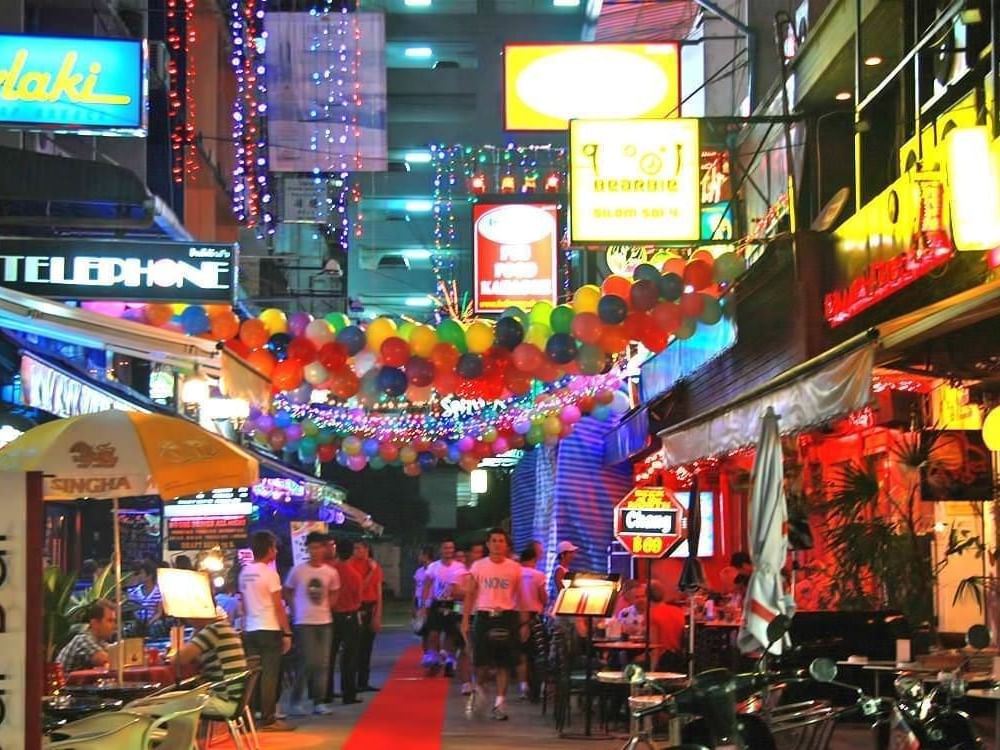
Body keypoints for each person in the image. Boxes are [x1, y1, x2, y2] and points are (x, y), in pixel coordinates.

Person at [462, 528, 523, 721]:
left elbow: (519, 597)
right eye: (494, 540)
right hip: (484, 616)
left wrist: (523, 623)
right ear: (488, 544)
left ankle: (500, 703)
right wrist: (465, 619)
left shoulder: (515, 568)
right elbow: (470, 594)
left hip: (506, 616)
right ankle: (479, 690)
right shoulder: (478, 566)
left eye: (501, 541)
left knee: (504, 663)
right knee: (481, 663)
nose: (497, 544)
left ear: (506, 545)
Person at [239, 530, 294, 732]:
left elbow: (243, 604)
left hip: (251, 630)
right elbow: (278, 606)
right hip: (269, 628)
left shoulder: (244, 573)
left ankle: (250, 715)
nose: (277, 551)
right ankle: (269, 719)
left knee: (253, 674)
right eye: (275, 547)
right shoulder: (270, 574)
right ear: (269, 549)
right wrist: (287, 632)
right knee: (270, 674)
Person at [284, 531, 340, 716]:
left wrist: (328, 606)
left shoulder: (330, 572)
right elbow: (288, 591)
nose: (315, 551)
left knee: (323, 663)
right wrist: (294, 609)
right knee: (307, 662)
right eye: (312, 547)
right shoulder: (298, 570)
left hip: (324, 622)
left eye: (318, 547)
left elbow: (334, 591)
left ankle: (319, 701)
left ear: (324, 549)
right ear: (307, 549)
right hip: (304, 622)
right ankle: (296, 701)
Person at [172, 611, 249, 716]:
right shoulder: (225, 627)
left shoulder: (214, 630)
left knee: (166, 704)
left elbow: (178, 659)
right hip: (234, 700)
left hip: (224, 701)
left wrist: (196, 631)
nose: (187, 619)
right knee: (172, 700)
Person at [420, 539, 467, 678]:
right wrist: (424, 604)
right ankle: (433, 658)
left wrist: (462, 607)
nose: (448, 550)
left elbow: (463, 586)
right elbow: (427, 585)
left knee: (451, 634)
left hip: (454, 604)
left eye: (451, 548)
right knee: (433, 633)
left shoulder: (460, 567)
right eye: (445, 548)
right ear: (441, 550)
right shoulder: (433, 567)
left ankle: (449, 661)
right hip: (437, 603)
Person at [328, 538, 363, 705]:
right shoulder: (354, 575)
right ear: (352, 553)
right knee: (349, 657)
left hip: (331, 617)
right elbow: (358, 600)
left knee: (330, 655)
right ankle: (348, 693)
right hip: (349, 616)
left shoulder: (330, 571)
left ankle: (326, 692)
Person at [350, 540, 383, 692]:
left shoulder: (374, 566)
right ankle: (353, 681)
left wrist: (378, 615)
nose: (358, 551)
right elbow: (359, 587)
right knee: (356, 645)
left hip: (371, 606)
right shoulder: (351, 565)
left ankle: (364, 681)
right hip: (357, 607)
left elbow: (378, 592)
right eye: (355, 548)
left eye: (360, 548)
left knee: (367, 647)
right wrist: (370, 572)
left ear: (367, 550)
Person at [517, 541, 548, 701]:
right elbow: (544, 598)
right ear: (533, 560)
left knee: (521, 654)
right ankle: (539, 687)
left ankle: (523, 686)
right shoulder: (538, 575)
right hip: (534, 617)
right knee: (536, 653)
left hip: (517, 617)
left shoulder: (514, 573)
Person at [56, 599, 116, 672]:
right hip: (65, 682)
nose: (114, 626)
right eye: (109, 621)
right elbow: (108, 660)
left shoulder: (100, 642)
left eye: (114, 621)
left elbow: (115, 653)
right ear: (95, 623)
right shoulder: (82, 640)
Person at [648, 584, 686, 672]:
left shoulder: (651, 614)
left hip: (663, 660)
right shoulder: (678, 611)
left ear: (647, 597)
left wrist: (652, 672)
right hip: (678, 658)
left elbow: (655, 648)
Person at [127, 560, 163, 626]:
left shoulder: (159, 592)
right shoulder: (135, 591)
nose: (140, 576)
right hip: (137, 623)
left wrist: (149, 623)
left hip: (152, 623)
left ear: (150, 576)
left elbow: (159, 612)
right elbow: (131, 608)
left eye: (142, 573)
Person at [413, 546, 434, 652]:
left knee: (432, 632)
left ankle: (434, 655)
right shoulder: (419, 571)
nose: (419, 557)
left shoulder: (435, 569)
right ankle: (426, 655)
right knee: (423, 632)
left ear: (426, 556)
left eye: (420, 554)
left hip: (432, 604)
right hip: (420, 603)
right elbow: (416, 589)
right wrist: (414, 606)